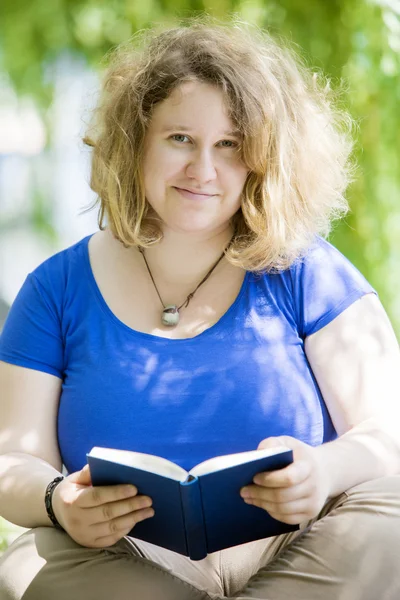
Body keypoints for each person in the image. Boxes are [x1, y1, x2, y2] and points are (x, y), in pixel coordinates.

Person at [0, 17, 400, 600]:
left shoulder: (311, 271)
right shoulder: (53, 289)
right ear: (135, 143)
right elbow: (14, 459)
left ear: (263, 159)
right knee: (28, 561)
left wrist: (324, 473)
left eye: (230, 146)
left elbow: (388, 434)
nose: (203, 171)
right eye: (180, 138)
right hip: (120, 560)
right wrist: (57, 504)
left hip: (299, 549)